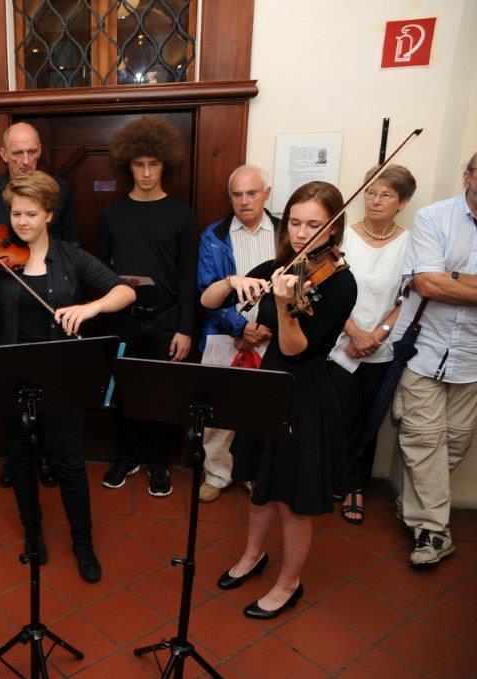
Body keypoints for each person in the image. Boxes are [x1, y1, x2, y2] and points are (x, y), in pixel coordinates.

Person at [0, 171, 135, 583]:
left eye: (30, 213)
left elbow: (124, 291)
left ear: (49, 214)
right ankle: (33, 533)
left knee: (69, 462)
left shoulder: (71, 256)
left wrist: (90, 308)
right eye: (15, 213)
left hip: (62, 374)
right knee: (22, 460)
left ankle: (82, 541)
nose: (21, 222)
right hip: (14, 375)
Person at [201, 181, 356, 620]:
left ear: (333, 227)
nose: (302, 233)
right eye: (295, 222)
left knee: (291, 501)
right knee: (258, 486)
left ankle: (289, 583)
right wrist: (231, 281)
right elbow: (207, 300)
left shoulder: (341, 283)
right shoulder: (280, 266)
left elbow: (293, 349)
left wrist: (286, 307)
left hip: (304, 394)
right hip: (267, 386)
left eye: (314, 224)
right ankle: (254, 555)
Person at [0, 123, 74, 489]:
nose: (26, 160)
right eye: (17, 153)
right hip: (4, 297)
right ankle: (17, 459)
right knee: (10, 387)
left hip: (47, 295)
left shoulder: (60, 190)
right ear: (4, 155)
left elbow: (70, 245)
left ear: (40, 150)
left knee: (49, 388)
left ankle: (45, 457)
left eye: (32, 152)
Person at [97, 116, 198, 496]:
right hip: (122, 319)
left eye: (153, 164)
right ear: (129, 165)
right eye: (139, 164)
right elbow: (98, 269)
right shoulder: (111, 213)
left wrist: (185, 328)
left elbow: (188, 275)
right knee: (124, 390)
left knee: (161, 393)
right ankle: (126, 456)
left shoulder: (181, 214)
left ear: (164, 164)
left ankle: (158, 462)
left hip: (166, 319)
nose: (145, 172)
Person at [391, 153, 477, 566]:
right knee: (423, 440)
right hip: (426, 350)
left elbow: (440, 279)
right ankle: (433, 532)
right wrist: (443, 279)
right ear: (468, 176)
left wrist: (452, 276)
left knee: (454, 443)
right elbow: (427, 282)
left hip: (472, 359)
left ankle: (415, 508)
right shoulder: (434, 218)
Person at [327, 164, 416, 525]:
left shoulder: (410, 243)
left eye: (386, 195)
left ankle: (355, 485)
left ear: (402, 202)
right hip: (340, 343)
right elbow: (326, 290)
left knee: (370, 419)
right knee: (341, 416)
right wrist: (354, 332)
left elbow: (407, 298)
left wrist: (376, 335)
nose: (375, 200)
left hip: (382, 346)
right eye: (370, 192)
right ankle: (338, 479)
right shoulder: (343, 236)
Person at [196, 165, 279, 503]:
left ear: (266, 194)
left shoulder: (285, 232)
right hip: (224, 336)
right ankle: (217, 474)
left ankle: (253, 474)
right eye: (237, 194)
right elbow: (206, 290)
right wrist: (240, 327)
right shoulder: (213, 235)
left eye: (252, 193)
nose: (245, 201)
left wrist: (266, 329)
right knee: (218, 413)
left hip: (271, 338)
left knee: (262, 411)